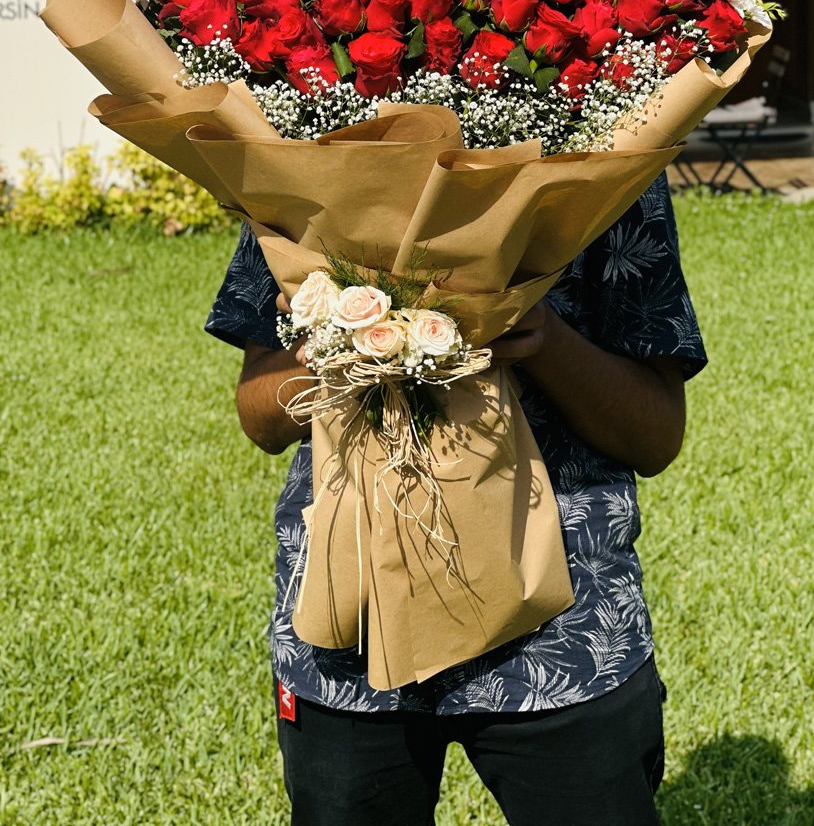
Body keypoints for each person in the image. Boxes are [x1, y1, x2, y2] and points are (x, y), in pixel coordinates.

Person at [206, 172, 707, 826]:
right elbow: (259, 414)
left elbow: (656, 435)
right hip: (348, 619)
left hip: (567, 628)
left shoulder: (608, 157)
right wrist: (344, 344)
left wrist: (543, 338)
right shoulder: (303, 160)